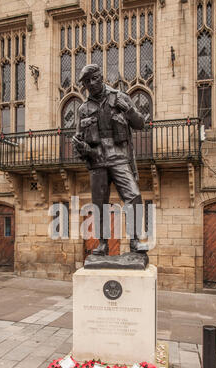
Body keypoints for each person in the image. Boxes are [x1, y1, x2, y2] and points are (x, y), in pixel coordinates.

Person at [72, 64, 148, 255]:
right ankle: (103, 244)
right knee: (99, 205)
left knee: (134, 195)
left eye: (94, 78)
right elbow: (79, 138)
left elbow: (140, 124)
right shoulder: (83, 109)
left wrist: (128, 111)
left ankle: (135, 241)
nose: (92, 83)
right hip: (97, 161)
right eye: (87, 82)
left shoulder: (120, 97)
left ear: (101, 76)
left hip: (119, 158)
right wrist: (80, 147)